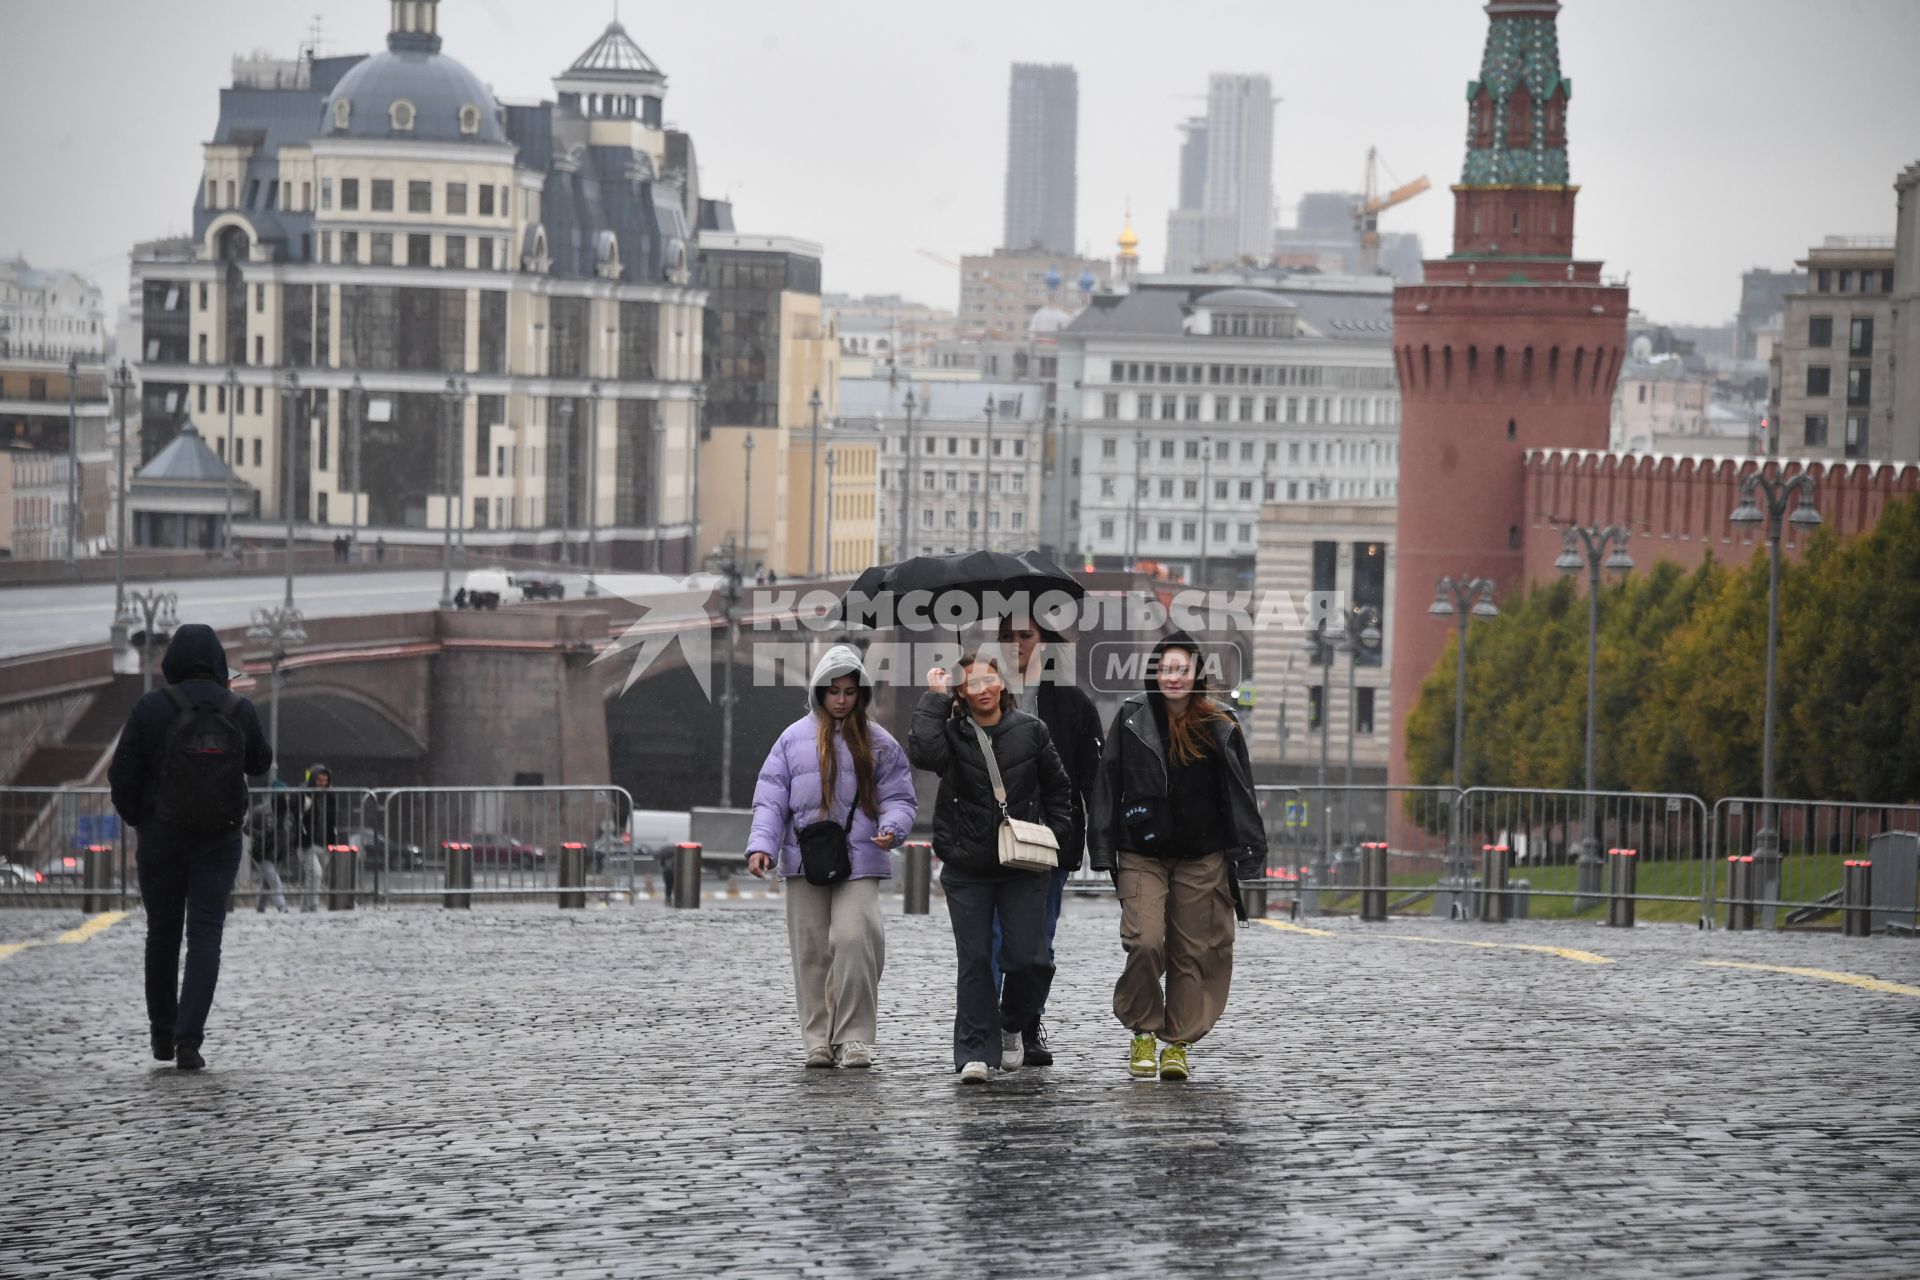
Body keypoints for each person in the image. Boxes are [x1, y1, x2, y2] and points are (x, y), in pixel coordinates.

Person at [1088, 630, 1267, 1082]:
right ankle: (1143, 1031)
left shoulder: (1220, 723)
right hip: (1140, 852)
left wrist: (1248, 850)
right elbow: (1107, 785)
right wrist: (1102, 847)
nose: (1173, 677)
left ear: (1196, 673)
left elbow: (1240, 793)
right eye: (1166, 668)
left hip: (1201, 855)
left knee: (1194, 952)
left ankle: (1178, 1044)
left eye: (1181, 669)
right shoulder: (1130, 718)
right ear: (1154, 672)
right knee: (1146, 941)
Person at [108, 623, 272, 1070]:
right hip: (218, 840)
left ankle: (162, 1033)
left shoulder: (150, 708)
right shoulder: (239, 708)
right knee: (205, 937)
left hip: (161, 836)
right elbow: (260, 761)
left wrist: (142, 820)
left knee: (161, 933)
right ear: (219, 663)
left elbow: (122, 776)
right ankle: (188, 1041)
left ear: (172, 662)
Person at [746, 645, 917, 1069]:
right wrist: (762, 846)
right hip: (804, 858)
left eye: (850, 691)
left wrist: (892, 828)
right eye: (833, 691)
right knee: (811, 953)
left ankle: (855, 1037)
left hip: (861, 857)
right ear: (818, 692)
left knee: (855, 939)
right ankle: (818, 1040)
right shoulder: (790, 740)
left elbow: (900, 798)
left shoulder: (880, 743)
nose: (841, 699)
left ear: (862, 695)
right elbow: (770, 800)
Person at [907, 651, 1072, 1084]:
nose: (982, 689)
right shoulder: (953, 735)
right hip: (967, 864)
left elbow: (1059, 788)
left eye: (989, 679)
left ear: (1002, 683)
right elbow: (923, 753)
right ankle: (975, 1053)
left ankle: (1012, 1023)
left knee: (1030, 960)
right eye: (971, 683)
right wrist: (934, 697)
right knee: (976, 960)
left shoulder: (1032, 732)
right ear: (961, 692)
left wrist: (1054, 833)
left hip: (1022, 863)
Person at [992, 616, 1103, 1068]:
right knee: (997, 940)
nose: (1016, 644)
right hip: (995, 841)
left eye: (1026, 635)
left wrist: (1097, 843)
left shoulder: (1073, 704)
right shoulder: (985, 696)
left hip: (1049, 844)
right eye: (1007, 636)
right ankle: (995, 1025)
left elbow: (1092, 782)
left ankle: (1026, 1021)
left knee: (1039, 942)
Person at [297, 763, 339, 912]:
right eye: (320, 780)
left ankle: (306, 905)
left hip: (324, 842)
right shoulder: (305, 795)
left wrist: (332, 840)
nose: (323, 783)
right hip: (307, 842)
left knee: (315, 875)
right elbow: (298, 817)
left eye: (325, 780)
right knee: (315, 873)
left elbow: (332, 820)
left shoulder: (330, 796)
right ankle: (312, 905)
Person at [244, 789, 291, 913]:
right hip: (262, 852)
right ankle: (282, 907)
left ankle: (260, 908)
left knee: (268, 882)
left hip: (277, 852)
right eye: (285, 795)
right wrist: (261, 835)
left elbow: (288, 832)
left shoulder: (287, 812)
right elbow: (246, 828)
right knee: (274, 881)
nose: (287, 798)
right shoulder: (261, 811)